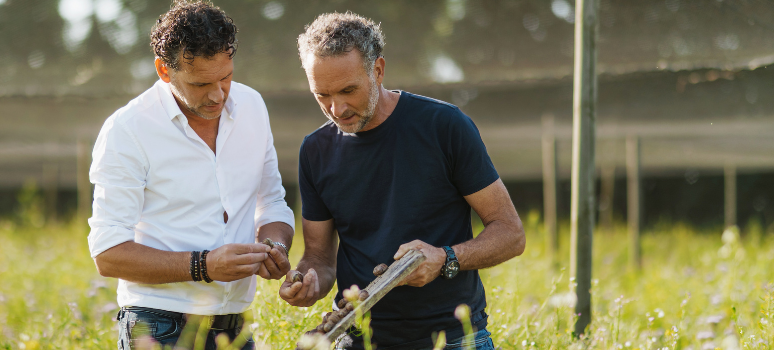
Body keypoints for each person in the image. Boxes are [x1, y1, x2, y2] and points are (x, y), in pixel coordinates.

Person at [279, 12, 526, 350]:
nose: (337, 108)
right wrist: (307, 282)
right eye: (322, 95)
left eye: (348, 90)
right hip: (359, 339)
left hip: (453, 339)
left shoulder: (444, 126)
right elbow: (320, 259)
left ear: (378, 70)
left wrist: (445, 259)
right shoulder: (315, 150)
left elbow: (511, 233)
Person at [87, 2, 294, 349]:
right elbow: (107, 254)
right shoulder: (128, 129)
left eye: (225, 77)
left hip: (236, 326)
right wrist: (204, 266)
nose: (217, 95)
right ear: (164, 71)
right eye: (200, 84)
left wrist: (275, 247)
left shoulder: (253, 106)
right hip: (159, 325)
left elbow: (271, 202)